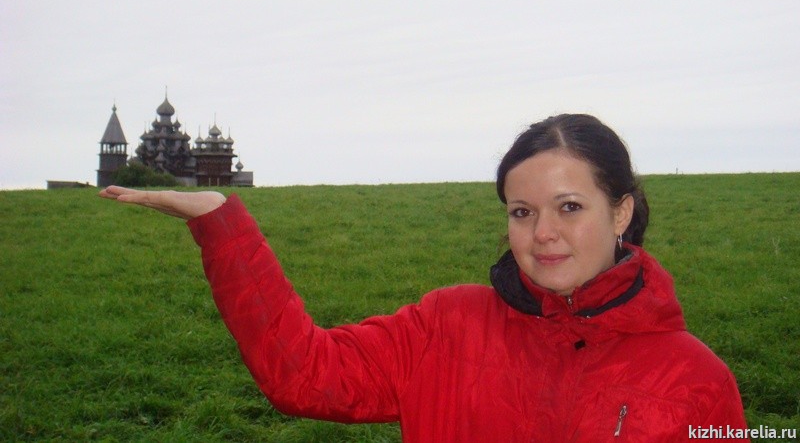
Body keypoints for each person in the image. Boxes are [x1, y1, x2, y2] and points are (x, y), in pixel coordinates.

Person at [99, 114, 749, 442]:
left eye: (570, 207)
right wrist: (221, 225)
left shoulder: (695, 382)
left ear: (622, 212)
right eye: (522, 212)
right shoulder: (448, 325)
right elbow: (307, 375)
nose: (542, 233)